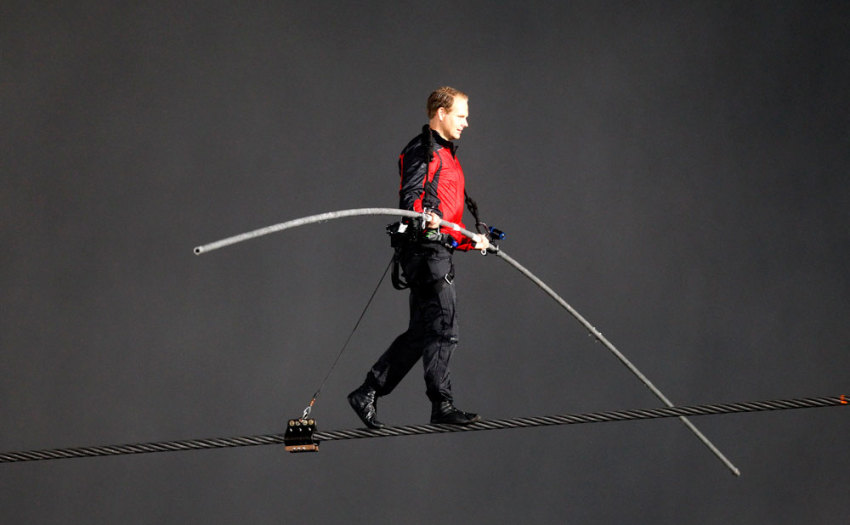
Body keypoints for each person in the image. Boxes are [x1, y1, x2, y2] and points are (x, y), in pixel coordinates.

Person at [348, 86, 490, 429]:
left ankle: (368, 392)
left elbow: (446, 217)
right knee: (444, 326)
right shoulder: (422, 150)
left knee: (423, 331)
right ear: (441, 113)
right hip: (426, 254)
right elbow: (412, 198)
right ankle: (442, 404)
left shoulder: (447, 155)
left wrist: (474, 240)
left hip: (435, 250)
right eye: (461, 115)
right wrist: (423, 216)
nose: (466, 123)